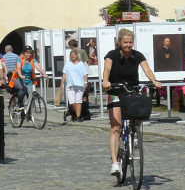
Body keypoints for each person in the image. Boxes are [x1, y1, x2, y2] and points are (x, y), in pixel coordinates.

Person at [102, 28, 162, 177]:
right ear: (119, 42)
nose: (128, 45)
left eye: (130, 42)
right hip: (116, 90)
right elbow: (107, 68)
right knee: (116, 127)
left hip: (132, 90)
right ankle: (115, 163)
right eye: (125, 42)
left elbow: (146, 69)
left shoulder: (137, 55)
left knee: (140, 113)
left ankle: (134, 135)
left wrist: (154, 80)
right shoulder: (112, 54)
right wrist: (105, 81)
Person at [61, 49, 89, 122]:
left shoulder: (81, 64)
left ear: (77, 55)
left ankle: (78, 116)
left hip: (79, 84)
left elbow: (85, 74)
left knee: (78, 101)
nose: (72, 56)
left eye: (74, 55)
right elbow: (64, 74)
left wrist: (86, 82)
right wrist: (62, 83)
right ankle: (75, 113)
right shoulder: (67, 64)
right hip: (70, 85)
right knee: (72, 102)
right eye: (71, 55)